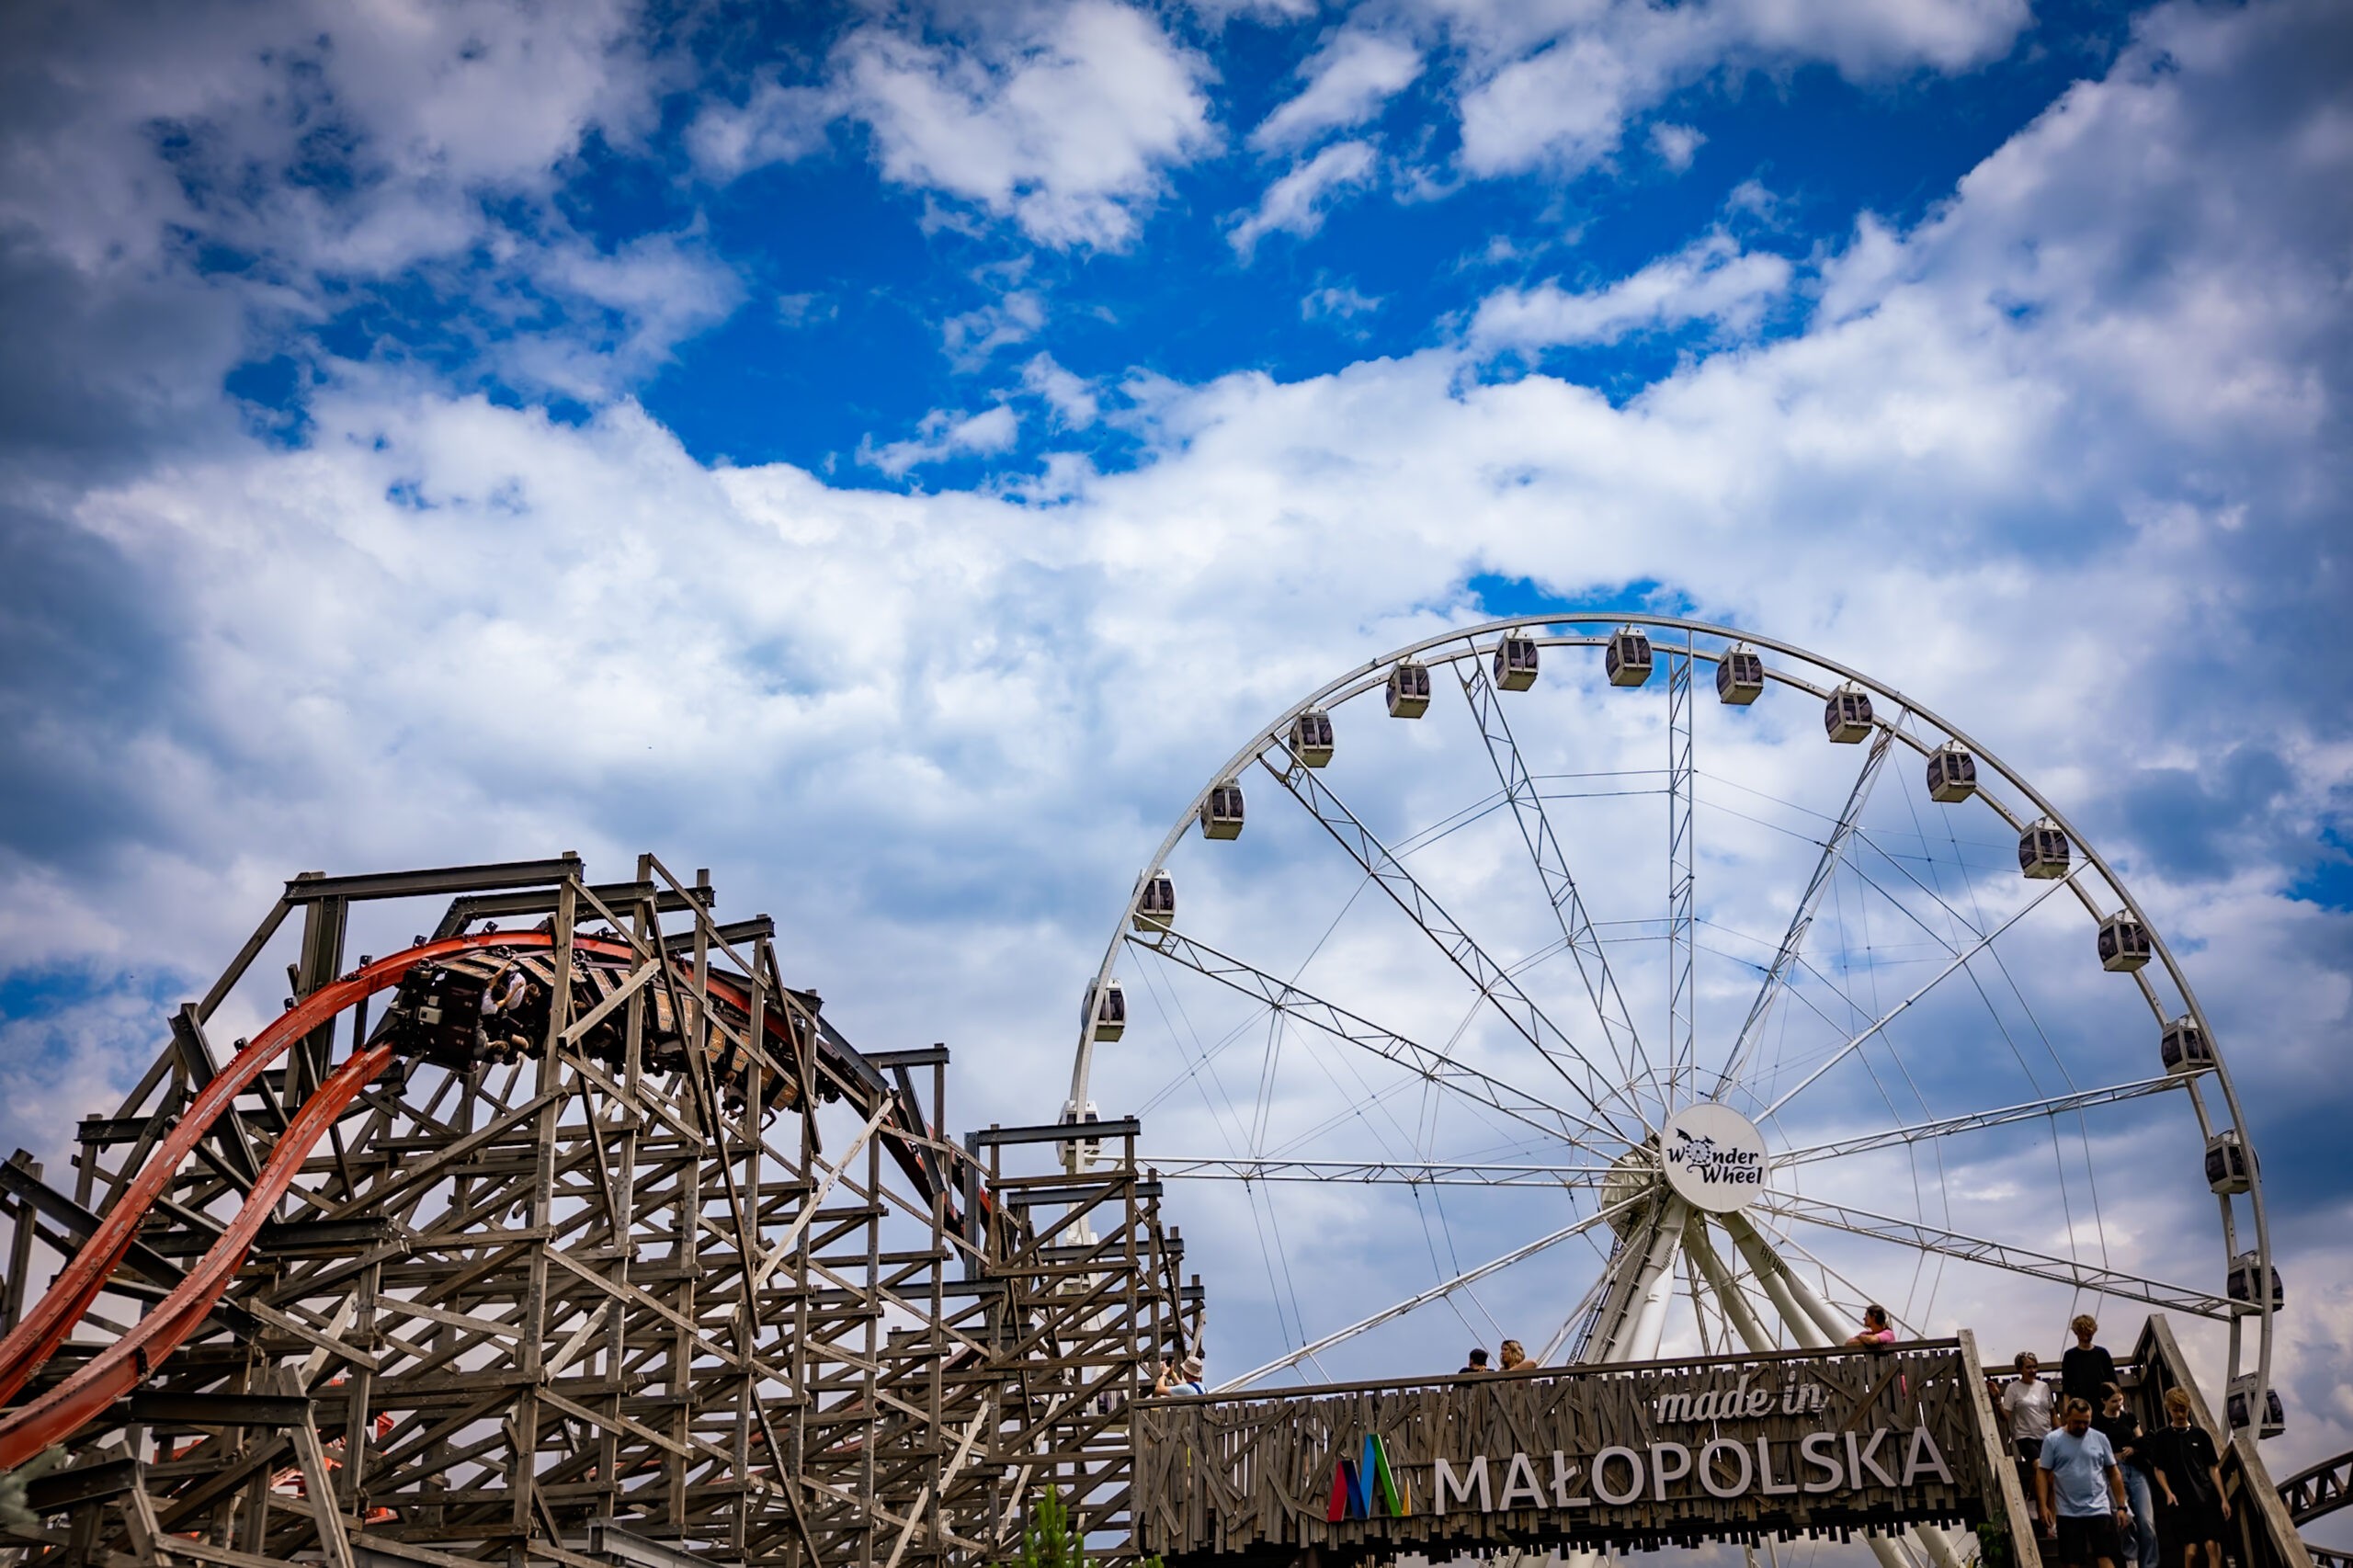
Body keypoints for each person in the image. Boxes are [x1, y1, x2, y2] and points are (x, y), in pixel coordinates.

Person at [2039, 1397, 2131, 1568]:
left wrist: (2121, 1506)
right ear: (2067, 1417)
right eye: (2077, 1422)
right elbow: (2043, 1473)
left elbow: (2113, 1473)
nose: (2082, 1426)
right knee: (2072, 1562)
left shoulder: (2100, 1438)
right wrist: (2043, 1506)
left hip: (2098, 1508)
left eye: (2086, 1422)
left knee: (2106, 1557)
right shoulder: (2053, 1440)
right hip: (2068, 1511)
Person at [2143, 1387, 2230, 1568]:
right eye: (2175, 1410)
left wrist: (2223, 1499)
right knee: (2191, 1551)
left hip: (2206, 1497)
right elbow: (2158, 1469)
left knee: (2212, 1545)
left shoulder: (2201, 1435)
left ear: (2188, 1408)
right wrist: (2167, 1492)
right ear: (2169, 1409)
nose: (2180, 1414)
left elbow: (2213, 1468)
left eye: (2183, 1410)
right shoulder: (2162, 1437)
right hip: (2181, 1500)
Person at [2094, 1383, 2158, 1568]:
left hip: (2135, 1469)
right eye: (2114, 1401)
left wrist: (2134, 1448)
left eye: (2120, 1400)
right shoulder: (2098, 1422)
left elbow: (2141, 1439)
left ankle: (2149, 1564)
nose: (2118, 1404)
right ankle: (2132, 1560)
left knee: (2146, 1520)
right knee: (2125, 1518)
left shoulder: (2128, 1417)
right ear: (2104, 1401)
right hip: (2113, 1472)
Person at [2002, 1351, 2058, 1470]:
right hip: (2025, 1436)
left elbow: (2052, 1413)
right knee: (2040, 1466)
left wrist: (2062, 1433)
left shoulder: (2044, 1386)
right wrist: (1997, 1401)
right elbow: (2005, 1415)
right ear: (2020, 1369)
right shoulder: (2013, 1388)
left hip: (2046, 1436)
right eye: (2028, 1367)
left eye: (2034, 1367)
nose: (2032, 1371)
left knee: (2052, 1469)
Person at [2062, 1316, 2120, 1409]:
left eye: (2088, 1334)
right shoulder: (2069, 1356)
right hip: (2080, 1407)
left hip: (2104, 1405)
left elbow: (2114, 1381)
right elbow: (2067, 1386)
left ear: (2093, 1332)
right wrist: (2066, 1408)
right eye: (2082, 1334)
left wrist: (2119, 1405)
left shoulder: (2102, 1353)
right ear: (2076, 1333)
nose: (2085, 1338)